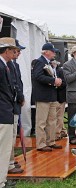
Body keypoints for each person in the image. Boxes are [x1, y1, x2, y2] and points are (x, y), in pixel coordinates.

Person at [32, 43, 63, 151]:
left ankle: (51, 141)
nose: (54, 53)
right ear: (46, 52)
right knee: (41, 122)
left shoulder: (49, 63)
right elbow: (38, 76)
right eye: (52, 51)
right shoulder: (39, 62)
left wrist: (56, 80)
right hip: (42, 96)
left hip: (51, 95)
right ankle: (41, 144)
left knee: (52, 120)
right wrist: (53, 80)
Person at [0, 37, 18, 188]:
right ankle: (1, 182)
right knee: (3, 149)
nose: (14, 53)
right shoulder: (1, 66)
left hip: (5, 111)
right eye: (13, 50)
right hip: (3, 112)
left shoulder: (4, 65)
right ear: (6, 51)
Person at [7, 39, 25, 174]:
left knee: (13, 135)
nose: (18, 53)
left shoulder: (15, 65)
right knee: (9, 136)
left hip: (15, 104)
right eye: (16, 50)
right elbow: (13, 84)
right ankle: (8, 162)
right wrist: (19, 96)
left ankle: (10, 160)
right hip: (10, 104)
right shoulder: (7, 65)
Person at [51, 60, 68, 140]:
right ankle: (63, 131)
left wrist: (58, 84)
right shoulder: (49, 70)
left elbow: (64, 83)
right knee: (56, 116)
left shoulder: (60, 71)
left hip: (60, 97)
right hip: (53, 97)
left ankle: (57, 134)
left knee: (59, 116)